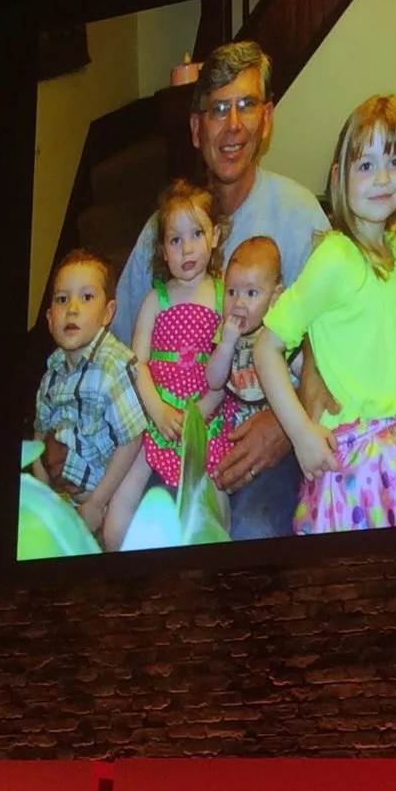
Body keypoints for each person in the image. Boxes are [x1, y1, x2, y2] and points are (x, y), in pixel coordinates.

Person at [111, 40, 329, 538]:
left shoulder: (298, 220)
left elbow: (332, 343)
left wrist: (283, 423)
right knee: (147, 533)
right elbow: (121, 347)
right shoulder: (161, 232)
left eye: (247, 105)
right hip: (169, 436)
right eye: (217, 110)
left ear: (267, 118)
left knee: (253, 533)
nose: (233, 125)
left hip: (263, 435)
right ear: (195, 128)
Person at [251, 93, 396, 532]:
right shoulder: (336, 258)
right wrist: (301, 433)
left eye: (394, 160)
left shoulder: (388, 245)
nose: (382, 177)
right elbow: (266, 347)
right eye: (365, 165)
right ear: (339, 178)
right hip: (356, 451)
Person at [117, 181, 241, 500]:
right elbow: (136, 364)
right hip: (158, 420)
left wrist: (198, 415)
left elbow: (227, 368)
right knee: (124, 497)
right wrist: (158, 410)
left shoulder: (223, 294)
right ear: (163, 250)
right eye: (175, 239)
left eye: (197, 234)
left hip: (207, 423)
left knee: (215, 504)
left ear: (214, 235)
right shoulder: (156, 300)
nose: (187, 249)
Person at [30, 248, 150, 547]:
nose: (72, 309)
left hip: (108, 494)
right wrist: (46, 500)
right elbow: (39, 435)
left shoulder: (112, 366)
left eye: (86, 297)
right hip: (65, 493)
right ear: (49, 318)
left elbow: (132, 439)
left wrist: (97, 503)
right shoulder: (51, 374)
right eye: (61, 299)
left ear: (108, 313)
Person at [211, 235, 289, 444]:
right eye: (231, 292)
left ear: (274, 297)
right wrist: (226, 345)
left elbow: (303, 371)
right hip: (232, 428)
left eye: (251, 293)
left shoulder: (281, 330)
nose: (238, 302)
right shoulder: (225, 331)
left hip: (276, 429)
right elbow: (214, 381)